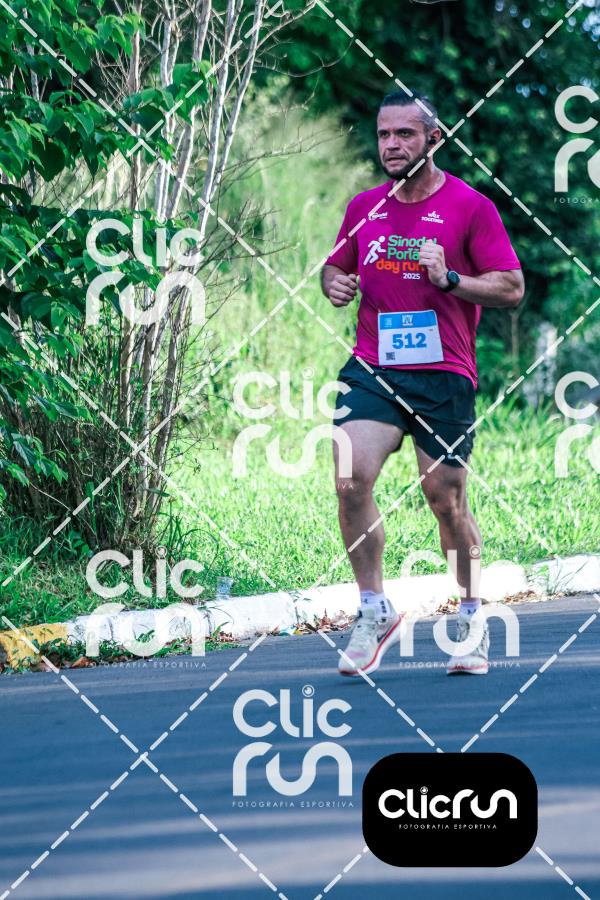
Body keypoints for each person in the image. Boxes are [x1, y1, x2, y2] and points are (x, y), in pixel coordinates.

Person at [321, 90, 524, 678]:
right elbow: (336, 266)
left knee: (446, 500)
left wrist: (451, 279)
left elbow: (510, 287)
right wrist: (333, 283)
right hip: (374, 366)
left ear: (434, 139)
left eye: (405, 134)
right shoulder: (364, 207)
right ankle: (374, 609)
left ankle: (470, 617)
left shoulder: (470, 206)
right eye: (384, 134)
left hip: (444, 375)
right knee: (350, 477)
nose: (391, 145)